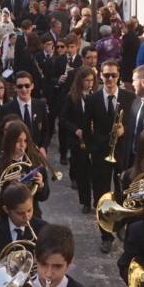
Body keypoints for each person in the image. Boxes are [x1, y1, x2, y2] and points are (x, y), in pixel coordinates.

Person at [83, 61, 132, 252]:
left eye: (113, 75)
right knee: (102, 196)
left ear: (118, 76)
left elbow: (135, 126)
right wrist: (93, 147)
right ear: (100, 77)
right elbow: (86, 128)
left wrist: (124, 130)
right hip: (100, 154)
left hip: (122, 153)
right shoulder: (93, 99)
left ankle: (120, 224)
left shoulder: (129, 97)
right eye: (106, 75)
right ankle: (105, 235)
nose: (110, 79)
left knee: (123, 193)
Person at [62, 66, 97, 213]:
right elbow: (63, 119)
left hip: (95, 140)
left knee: (95, 173)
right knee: (82, 173)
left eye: (91, 80)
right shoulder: (72, 97)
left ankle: (97, 200)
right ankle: (85, 201)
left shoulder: (97, 96)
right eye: (86, 80)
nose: (89, 84)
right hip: (78, 141)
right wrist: (76, 130)